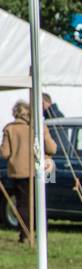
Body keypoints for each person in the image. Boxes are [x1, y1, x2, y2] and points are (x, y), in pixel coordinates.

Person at [0, 100, 57, 242]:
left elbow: (5, 153)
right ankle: (42, 234)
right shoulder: (39, 127)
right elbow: (52, 149)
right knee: (40, 202)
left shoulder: (9, 129)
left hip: (19, 172)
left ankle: (25, 234)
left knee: (23, 203)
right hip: (40, 170)